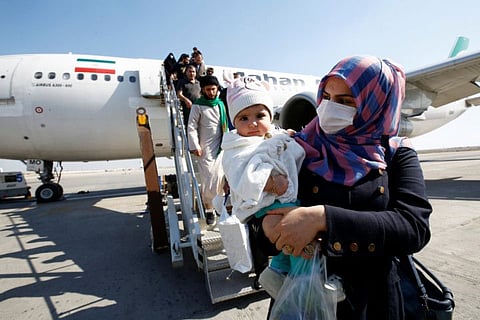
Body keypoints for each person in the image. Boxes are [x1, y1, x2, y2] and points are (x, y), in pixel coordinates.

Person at [253, 56, 432, 319]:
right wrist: (265, 230)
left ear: (374, 104)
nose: (329, 108)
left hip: (372, 303)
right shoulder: (295, 148)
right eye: (326, 97)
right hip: (301, 302)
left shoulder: (396, 153)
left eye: (346, 101)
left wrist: (324, 218)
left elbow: (413, 227)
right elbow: (260, 217)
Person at [221, 76, 306, 290]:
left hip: (284, 200)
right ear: (234, 122)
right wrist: (268, 181)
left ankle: (276, 273)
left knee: (286, 244)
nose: (253, 123)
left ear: (271, 116)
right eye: (243, 118)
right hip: (269, 205)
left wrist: (287, 137)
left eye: (260, 115)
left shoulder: (271, 136)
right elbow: (241, 175)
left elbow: (278, 142)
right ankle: (306, 280)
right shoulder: (237, 147)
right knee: (298, 239)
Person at [187, 75, 229, 224]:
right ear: (203, 90)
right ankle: (209, 209)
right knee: (209, 178)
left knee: (221, 177)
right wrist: (195, 146)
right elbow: (191, 127)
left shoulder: (220, 104)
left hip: (222, 145)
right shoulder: (197, 105)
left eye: (213, 89)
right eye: (208, 89)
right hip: (205, 149)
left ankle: (221, 207)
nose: (211, 92)